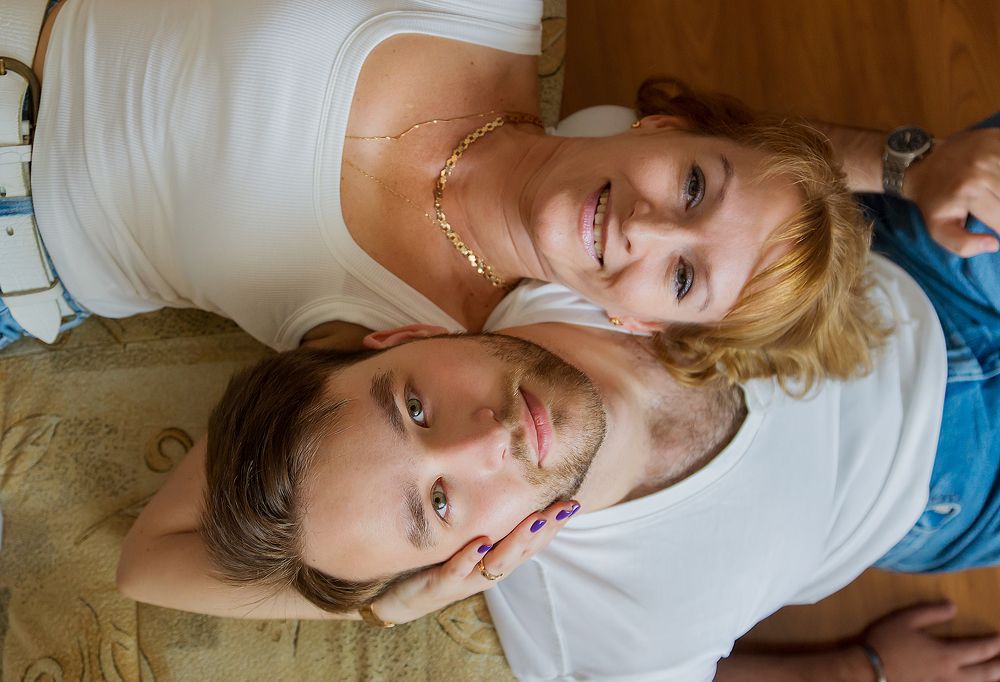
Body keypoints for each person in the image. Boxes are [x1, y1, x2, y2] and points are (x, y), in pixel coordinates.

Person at [119, 133, 1000, 679]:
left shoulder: (567, 237)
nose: (488, 441)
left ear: (407, 335)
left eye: (417, 409)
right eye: (439, 503)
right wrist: (864, 669)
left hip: (897, 263)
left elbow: (146, 556)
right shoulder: (600, 634)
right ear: (463, 559)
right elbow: (148, 574)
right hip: (946, 485)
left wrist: (909, 167)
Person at [3, 0, 994, 391]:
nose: (650, 226)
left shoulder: (435, 355)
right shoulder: (481, 7)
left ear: (636, 322)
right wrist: (908, 167)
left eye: (683, 276)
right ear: (663, 129)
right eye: (693, 185)